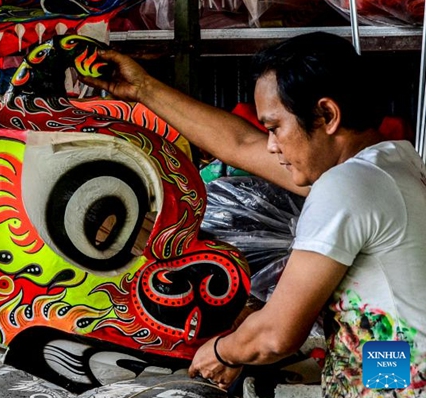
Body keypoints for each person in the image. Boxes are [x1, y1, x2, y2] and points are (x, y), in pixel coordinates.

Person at [79, 32, 426, 396]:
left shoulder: (346, 185)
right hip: (397, 367)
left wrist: (221, 352)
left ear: (327, 114)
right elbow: (240, 145)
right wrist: (142, 88)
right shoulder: (390, 166)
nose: (272, 145)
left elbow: (277, 335)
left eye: (275, 127)